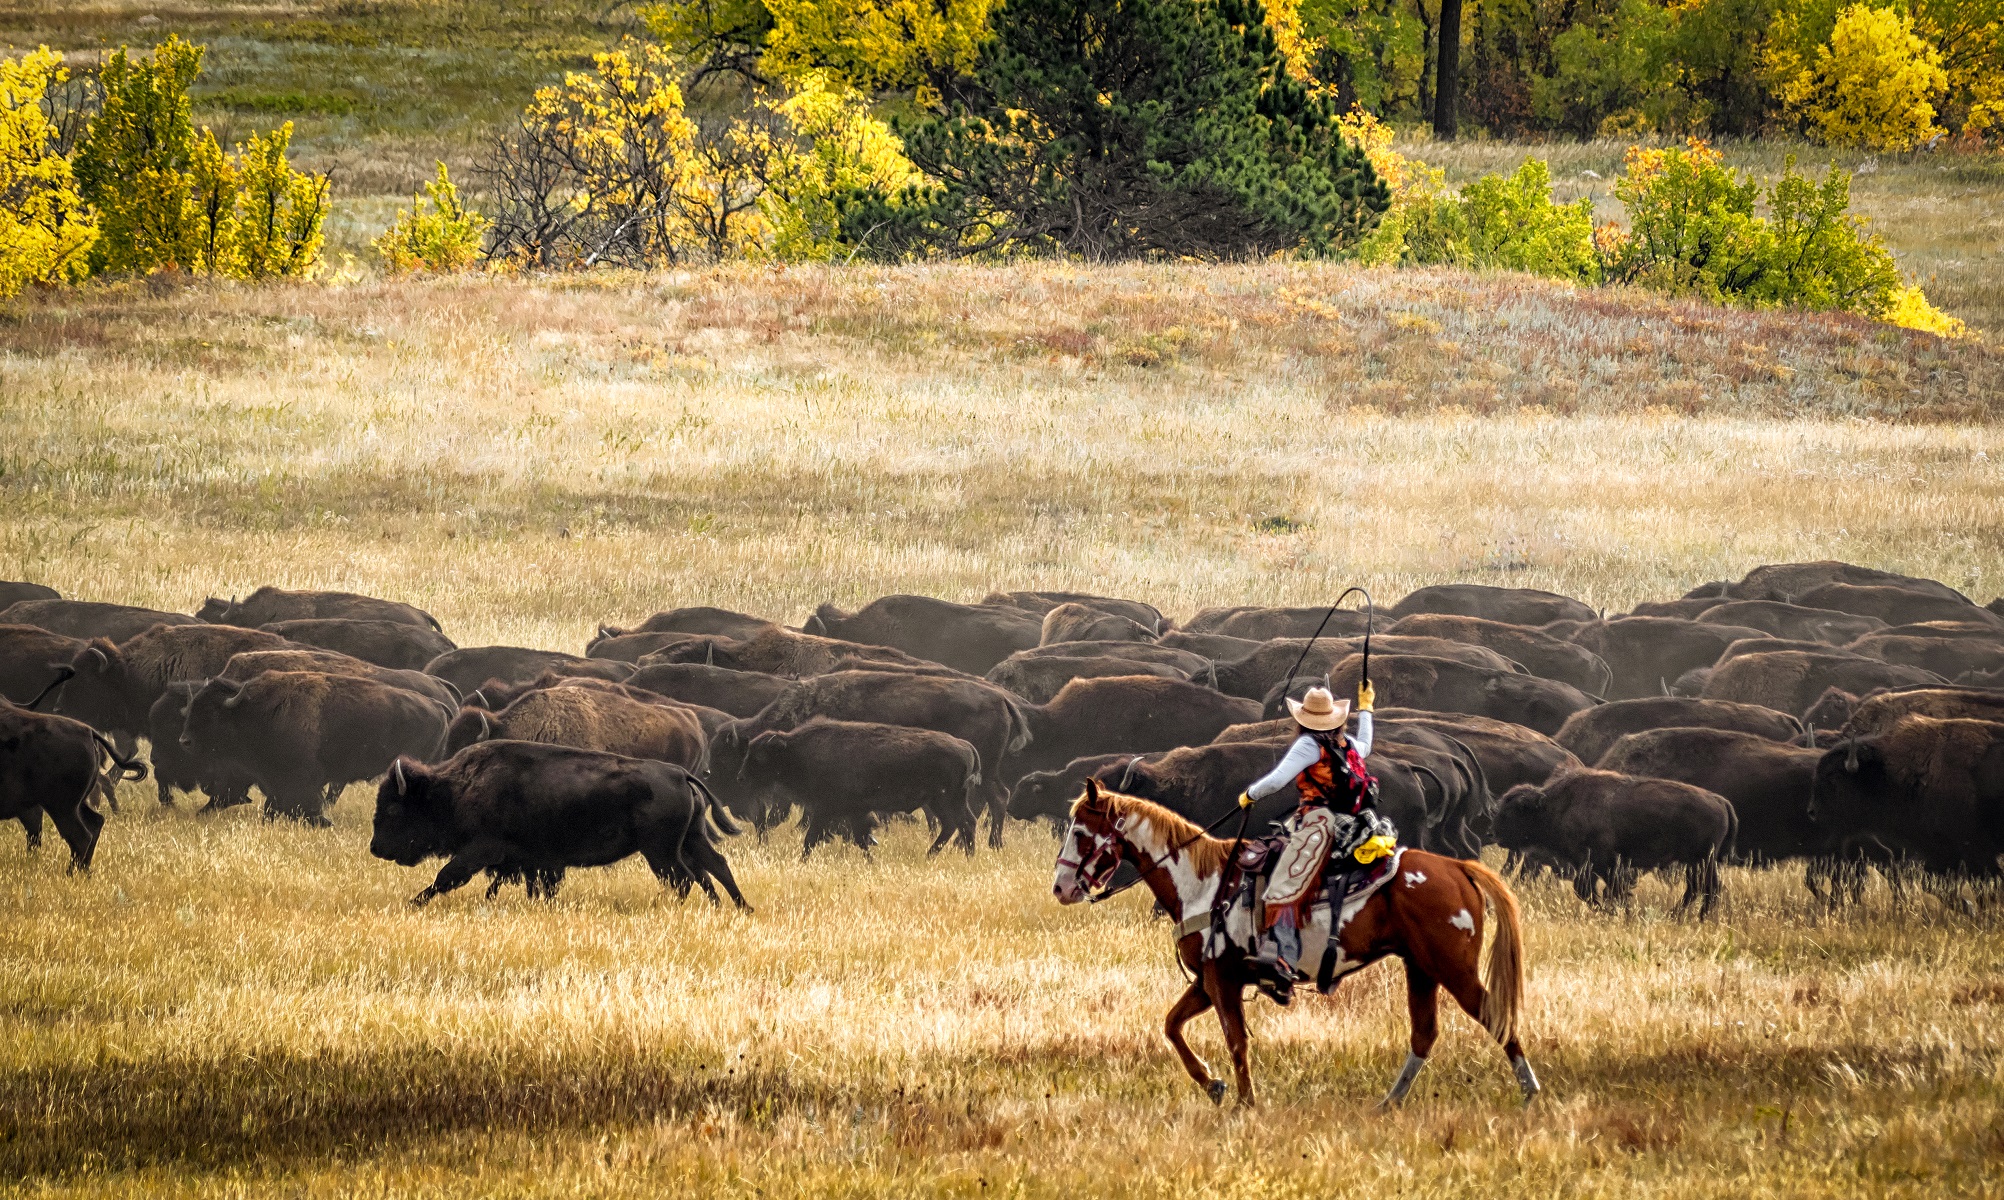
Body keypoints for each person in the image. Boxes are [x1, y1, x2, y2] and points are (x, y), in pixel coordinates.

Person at [1234, 680, 1384, 1005]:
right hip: (1355, 821)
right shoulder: (1347, 744)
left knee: (1282, 889)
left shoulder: (1307, 745)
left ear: (1303, 719)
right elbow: (1368, 745)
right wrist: (1367, 708)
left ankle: (1283, 960)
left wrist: (1249, 794)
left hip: (1319, 823)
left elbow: (1276, 781)